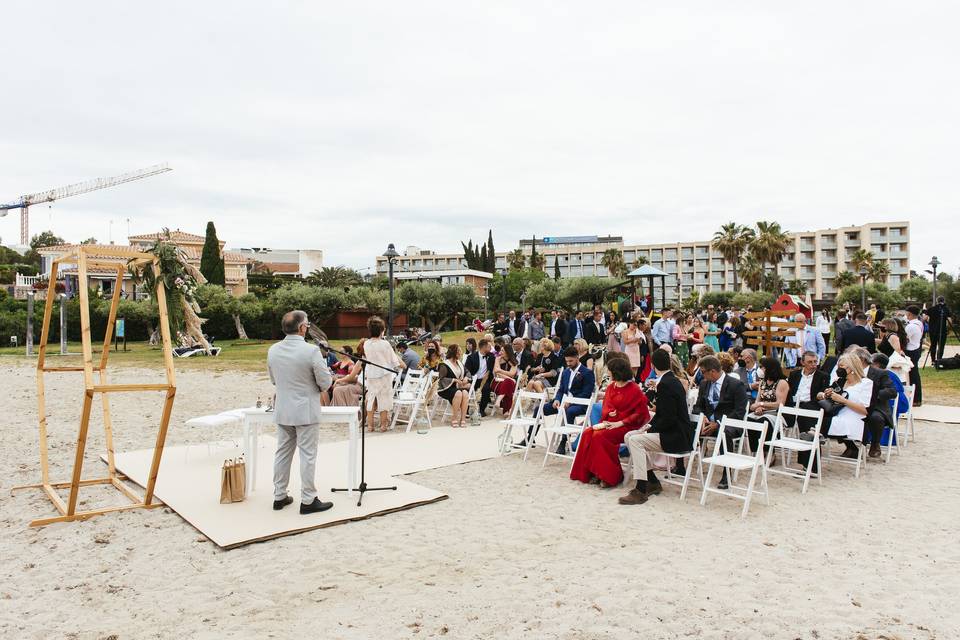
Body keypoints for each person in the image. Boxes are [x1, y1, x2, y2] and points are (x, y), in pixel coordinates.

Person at [268, 310, 334, 515]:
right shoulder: (311, 351)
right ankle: (308, 499)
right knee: (307, 455)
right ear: (302, 327)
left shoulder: (273, 350)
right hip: (305, 410)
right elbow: (325, 382)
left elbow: (273, 380)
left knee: (282, 453)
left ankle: (279, 495)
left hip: (283, 409)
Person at [619, 348, 693, 504]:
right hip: (676, 432)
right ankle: (652, 480)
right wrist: (647, 427)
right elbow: (663, 414)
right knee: (629, 436)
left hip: (676, 437)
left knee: (635, 440)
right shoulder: (670, 380)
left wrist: (649, 430)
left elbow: (668, 418)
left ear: (653, 366)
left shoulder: (666, 384)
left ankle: (640, 488)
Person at [570, 356, 651, 489]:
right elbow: (606, 406)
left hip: (627, 426)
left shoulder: (634, 389)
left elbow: (641, 413)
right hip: (609, 423)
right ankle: (594, 472)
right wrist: (610, 412)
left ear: (617, 372)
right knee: (587, 433)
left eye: (610, 370)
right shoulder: (611, 387)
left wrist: (620, 422)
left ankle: (611, 476)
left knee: (599, 437)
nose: (608, 373)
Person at [692, 355, 749, 490]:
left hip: (729, 423)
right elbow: (698, 406)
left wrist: (718, 423)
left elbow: (739, 411)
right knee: (686, 424)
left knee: (725, 432)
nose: (701, 375)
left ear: (712, 371)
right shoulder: (704, 384)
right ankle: (681, 466)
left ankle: (726, 473)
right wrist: (702, 417)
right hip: (708, 422)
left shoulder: (736, 385)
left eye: (703, 372)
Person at [535, 347, 596, 453]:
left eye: (571, 361)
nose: (568, 363)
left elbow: (586, 394)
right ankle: (530, 438)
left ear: (577, 358)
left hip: (580, 404)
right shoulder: (566, 372)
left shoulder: (587, 373)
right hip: (563, 403)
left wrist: (570, 401)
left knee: (569, 411)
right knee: (539, 409)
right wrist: (557, 400)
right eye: (567, 361)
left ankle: (563, 442)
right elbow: (561, 390)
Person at [818, 352, 873, 459]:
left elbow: (865, 411)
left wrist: (843, 400)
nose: (839, 369)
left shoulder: (866, 383)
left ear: (852, 367)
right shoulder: (840, 381)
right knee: (811, 415)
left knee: (817, 423)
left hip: (853, 419)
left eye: (842, 366)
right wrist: (825, 394)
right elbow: (825, 396)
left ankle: (813, 435)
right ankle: (811, 457)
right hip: (835, 415)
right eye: (838, 366)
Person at [362, 316, 404, 432]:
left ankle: (370, 425)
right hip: (384, 374)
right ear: (382, 330)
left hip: (371, 374)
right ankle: (383, 425)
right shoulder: (385, 344)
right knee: (384, 399)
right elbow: (393, 360)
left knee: (371, 398)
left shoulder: (366, 344)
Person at [745, 356, 789, 455]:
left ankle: (768, 452)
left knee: (763, 421)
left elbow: (779, 404)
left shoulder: (782, 382)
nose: (761, 370)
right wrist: (757, 408)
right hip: (761, 412)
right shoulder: (762, 383)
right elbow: (756, 402)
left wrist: (761, 404)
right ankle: (755, 450)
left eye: (763, 367)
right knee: (749, 420)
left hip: (775, 413)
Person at [786, 350, 830, 432]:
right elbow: (789, 391)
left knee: (807, 410)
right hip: (793, 402)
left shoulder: (823, 376)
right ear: (802, 363)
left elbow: (820, 396)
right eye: (810, 362)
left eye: (815, 362)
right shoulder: (794, 374)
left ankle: (808, 435)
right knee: (782, 410)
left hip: (811, 404)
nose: (813, 365)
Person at [437, 344, 471, 427]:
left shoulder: (459, 363)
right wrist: (454, 380)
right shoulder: (444, 365)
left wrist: (466, 377)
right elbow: (441, 379)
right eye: (459, 351)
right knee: (459, 393)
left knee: (465, 393)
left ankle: (463, 419)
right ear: (454, 352)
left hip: (457, 387)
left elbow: (468, 372)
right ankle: (454, 418)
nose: (460, 353)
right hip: (445, 389)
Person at [465, 338, 496, 416]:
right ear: (484, 347)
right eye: (489, 347)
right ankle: (466, 410)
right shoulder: (471, 357)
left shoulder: (491, 357)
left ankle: (482, 410)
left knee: (486, 389)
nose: (491, 349)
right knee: (466, 389)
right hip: (472, 379)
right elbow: (467, 371)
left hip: (484, 380)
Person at [332, 340, 366, 407]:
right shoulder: (361, 360)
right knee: (336, 389)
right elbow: (353, 376)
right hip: (358, 384)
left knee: (337, 389)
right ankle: (342, 410)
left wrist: (338, 380)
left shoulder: (355, 362)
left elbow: (351, 377)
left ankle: (343, 411)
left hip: (363, 387)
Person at [492, 342, 520, 415]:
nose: (500, 352)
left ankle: (499, 400)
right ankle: (506, 411)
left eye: (502, 351)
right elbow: (497, 373)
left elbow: (512, 374)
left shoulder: (514, 362)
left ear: (508, 352)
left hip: (507, 383)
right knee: (509, 383)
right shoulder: (498, 359)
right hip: (497, 382)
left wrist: (501, 371)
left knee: (508, 383)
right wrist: (509, 378)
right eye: (500, 350)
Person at [904, 305, 924, 406]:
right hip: (916, 348)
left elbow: (905, 339)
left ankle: (916, 398)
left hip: (911, 350)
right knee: (914, 374)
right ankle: (916, 398)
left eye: (907, 313)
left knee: (913, 375)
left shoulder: (911, 326)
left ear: (910, 314)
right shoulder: (919, 323)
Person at [925, 296, 953, 363]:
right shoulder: (946, 309)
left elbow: (926, 318)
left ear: (937, 301)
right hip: (942, 330)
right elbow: (949, 320)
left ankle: (933, 361)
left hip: (933, 331)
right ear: (944, 301)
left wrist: (930, 323)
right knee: (941, 346)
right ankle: (939, 360)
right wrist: (948, 328)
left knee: (933, 345)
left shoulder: (931, 309)